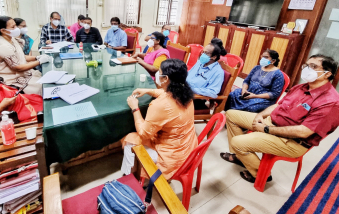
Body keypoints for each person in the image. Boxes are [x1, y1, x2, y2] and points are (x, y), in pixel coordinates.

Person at [220, 55, 339, 183]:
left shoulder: (330, 102)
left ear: (327, 74)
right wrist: (261, 115)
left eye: (313, 66)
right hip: (272, 123)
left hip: (292, 141)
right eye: (307, 65)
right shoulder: (301, 87)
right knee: (231, 114)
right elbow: (278, 105)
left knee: (238, 142)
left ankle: (261, 175)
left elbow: (303, 132)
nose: (307, 69)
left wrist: (266, 129)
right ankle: (241, 157)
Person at [121, 59, 198, 180]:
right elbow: (165, 93)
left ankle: (129, 178)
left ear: (165, 78)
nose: (158, 74)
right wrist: (148, 91)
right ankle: (134, 174)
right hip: (188, 148)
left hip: (171, 157)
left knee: (130, 139)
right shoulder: (186, 94)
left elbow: (144, 133)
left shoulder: (159, 105)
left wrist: (135, 108)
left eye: (160, 72)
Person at [0, 16, 51, 95]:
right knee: (41, 87)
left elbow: (20, 56)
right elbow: (17, 67)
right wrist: (39, 61)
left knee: (42, 78)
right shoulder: (3, 45)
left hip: (18, 72)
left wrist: (36, 57)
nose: (16, 28)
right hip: (9, 77)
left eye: (16, 25)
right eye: (13, 27)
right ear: (3, 30)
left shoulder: (11, 39)